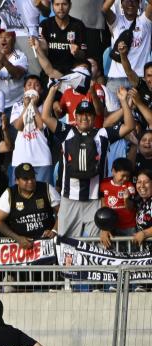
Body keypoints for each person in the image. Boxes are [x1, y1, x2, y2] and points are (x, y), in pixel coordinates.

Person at [41, 85, 135, 238]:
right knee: (65, 240)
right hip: (69, 197)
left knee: (95, 242)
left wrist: (124, 101)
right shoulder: (67, 131)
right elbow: (45, 116)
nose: (85, 118)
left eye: (89, 115)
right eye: (81, 115)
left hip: (95, 199)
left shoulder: (103, 133)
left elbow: (129, 126)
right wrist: (52, 92)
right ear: (76, 117)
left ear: (94, 118)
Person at [0, 162, 60, 248]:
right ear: (16, 181)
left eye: (32, 177)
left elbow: (62, 211)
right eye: (25, 179)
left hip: (46, 242)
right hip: (20, 245)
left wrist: (54, 230)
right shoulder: (9, 194)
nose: (30, 181)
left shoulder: (46, 188)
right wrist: (17, 238)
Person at [10, 76, 53, 186]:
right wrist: (26, 107)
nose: (32, 87)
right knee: (19, 197)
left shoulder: (45, 106)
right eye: (29, 84)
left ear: (41, 90)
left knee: (43, 194)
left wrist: (33, 105)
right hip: (20, 158)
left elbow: (41, 125)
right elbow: (18, 126)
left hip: (42, 158)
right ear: (24, 89)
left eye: (36, 85)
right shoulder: (17, 106)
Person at [102, 0, 152, 94]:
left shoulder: (145, 21)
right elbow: (105, 8)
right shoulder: (116, 21)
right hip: (116, 78)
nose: (130, 3)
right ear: (121, 4)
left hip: (139, 78)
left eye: (134, 0)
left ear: (139, 3)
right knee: (112, 109)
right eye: (126, 0)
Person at [0, 29, 28, 112]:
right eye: (0, 37)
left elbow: (18, 75)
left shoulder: (20, 56)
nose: (3, 40)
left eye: (7, 36)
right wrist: (0, 65)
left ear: (13, 40)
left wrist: (5, 62)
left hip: (17, 103)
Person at [38, 0, 87, 77]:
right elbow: (41, 56)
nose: (60, 8)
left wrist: (77, 52)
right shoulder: (44, 25)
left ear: (70, 5)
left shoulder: (78, 25)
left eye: (64, 4)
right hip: (51, 73)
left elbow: (84, 55)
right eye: (57, 4)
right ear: (52, 6)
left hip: (72, 74)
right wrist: (43, 49)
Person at [99, 157, 136, 248]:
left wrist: (126, 199)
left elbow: (131, 207)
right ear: (113, 171)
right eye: (123, 175)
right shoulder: (104, 184)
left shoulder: (129, 186)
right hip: (111, 227)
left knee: (132, 251)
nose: (125, 178)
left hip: (128, 226)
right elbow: (103, 204)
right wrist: (105, 226)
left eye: (127, 176)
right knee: (112, 251)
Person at [129, 169, 152, 246]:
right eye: (139, 182)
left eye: (146, 182)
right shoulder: (139, 202)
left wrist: (144, 233)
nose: (142, 185)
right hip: (145, 253)